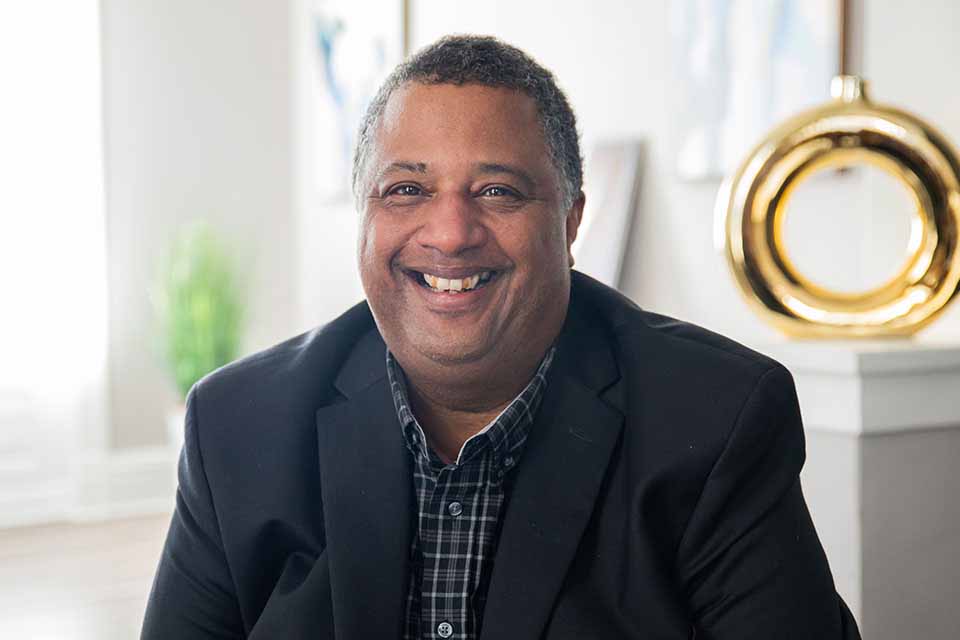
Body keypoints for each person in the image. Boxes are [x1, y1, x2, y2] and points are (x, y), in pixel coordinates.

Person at [141, 35, 861, 639]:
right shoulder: (237, 426)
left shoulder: (716, 418)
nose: (450, 234)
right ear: (362, 217)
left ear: (572, 223)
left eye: (498, 191)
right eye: (407, 190)